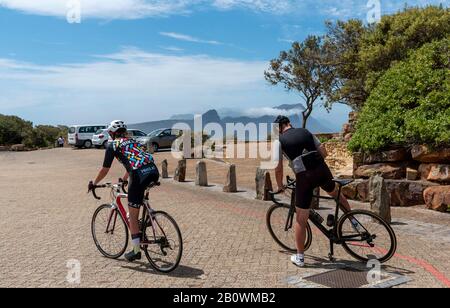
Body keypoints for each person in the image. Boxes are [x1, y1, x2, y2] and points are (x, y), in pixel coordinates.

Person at [273, 116, 357, 268]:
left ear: (278, 128)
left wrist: (280, 186)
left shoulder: (279, 141)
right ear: (289, 124)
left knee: (301, 218)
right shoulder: (305, 131)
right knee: (336, 194)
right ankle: (353, 221)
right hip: (322, 170)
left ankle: (300, 257)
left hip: (305, 177)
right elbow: (323, 151)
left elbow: (278, 168)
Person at [88, 120, 160, 262]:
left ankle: (136, 250)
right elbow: (136, 161)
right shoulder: (133, 141)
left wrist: (94, 183)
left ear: (111, 133)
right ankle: (147, 222)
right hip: (153, 171)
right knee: (138, 201)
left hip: (139, 175)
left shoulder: (112, 145)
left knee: (132, 216)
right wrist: (125, 179)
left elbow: (105, 169)